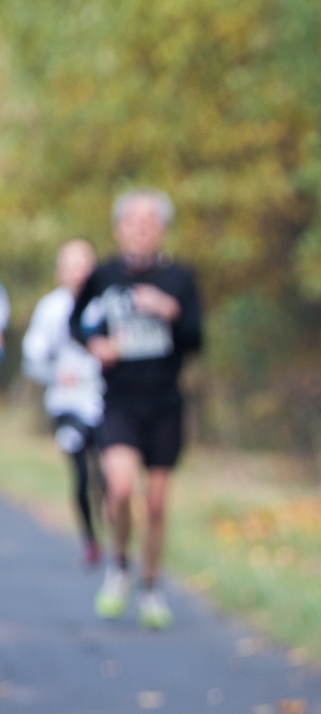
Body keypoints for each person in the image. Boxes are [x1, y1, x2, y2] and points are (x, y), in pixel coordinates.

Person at [70, 188, 202, 630]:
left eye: (149, 222)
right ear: (119, 227)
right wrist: (96, 344)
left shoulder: (180, 278)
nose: (141, 229)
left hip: (164, 403)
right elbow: (76, 320)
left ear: (161, 228)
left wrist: (170, 311)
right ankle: (119, 565)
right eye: (133, 221)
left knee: (158, 502)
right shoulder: (104, 274)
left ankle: (150, 587)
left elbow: (195, 339)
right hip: (120, 400)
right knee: (120, 488)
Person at [24, 240, 105, 567]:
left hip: (103, 399)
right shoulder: (50, 308)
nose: (78, 271)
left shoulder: (103, 305)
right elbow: (33, 359)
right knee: (82, 473)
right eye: (70, 265)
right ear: (60, 271)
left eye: (83, 263)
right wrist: (57, 374)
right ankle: (90, 540)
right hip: (66, 404)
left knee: (109, 476)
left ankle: (114, 532)